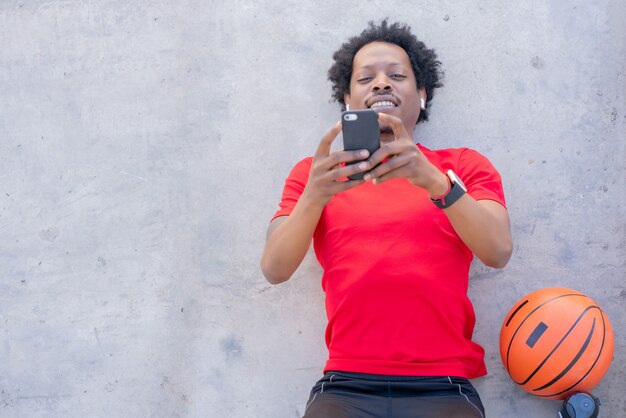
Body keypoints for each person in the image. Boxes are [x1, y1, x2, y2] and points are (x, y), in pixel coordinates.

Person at [261, 19, 512, 418]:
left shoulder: (461, 165)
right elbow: (274, 268)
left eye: (397, 75)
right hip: (345, 382)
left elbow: (497, 251)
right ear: (347, 99)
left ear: (422, 94)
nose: (381, 84)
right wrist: (314, 196)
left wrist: (434, 182)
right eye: (366, 78)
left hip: (444, 383)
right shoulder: (315, 173)